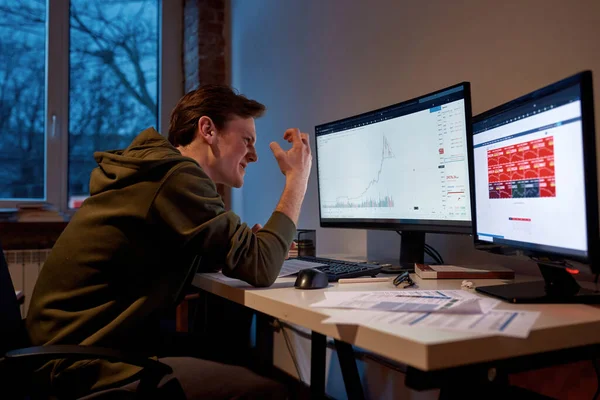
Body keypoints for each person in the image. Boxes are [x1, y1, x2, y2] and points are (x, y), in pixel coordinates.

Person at [25, 84, 312, 399]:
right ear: (207, 130)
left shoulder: (159, 171)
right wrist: (297, 180)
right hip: (83, 366)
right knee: (278, 391)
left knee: (234, 354)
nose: (255, 155)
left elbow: (170, 251)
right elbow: (261, 265)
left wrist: (246, 246)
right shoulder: (176, 177)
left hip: (71, 350)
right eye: (247, 141)